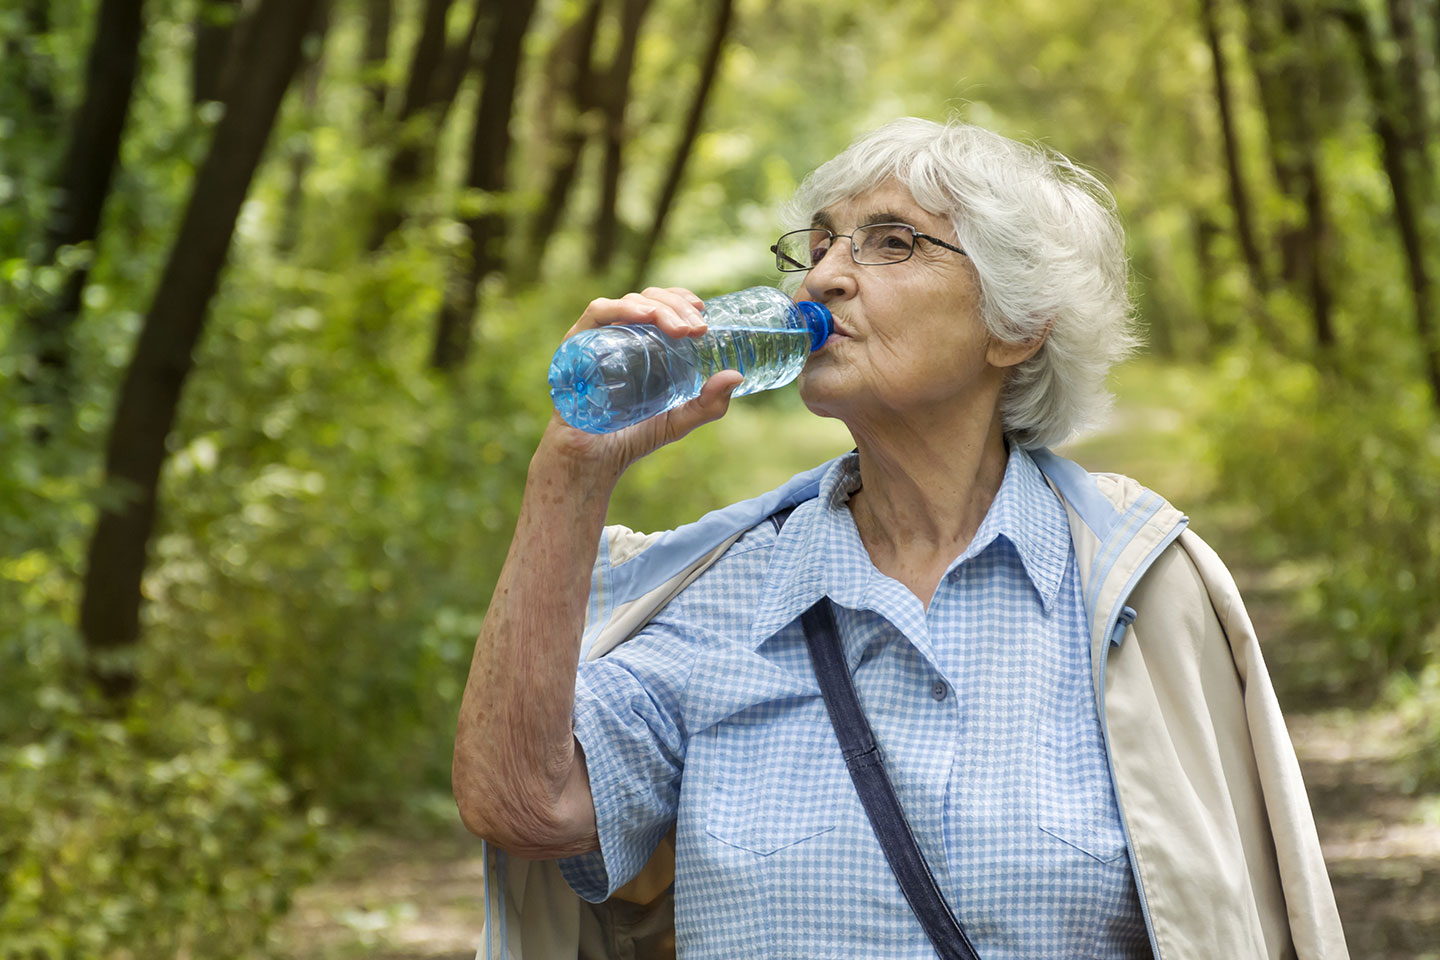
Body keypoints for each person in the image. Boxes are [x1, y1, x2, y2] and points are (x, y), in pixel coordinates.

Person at [452, 117, 1348, 959]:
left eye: (892, 242)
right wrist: (572, 469)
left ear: (1018, 326)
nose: (823, 278)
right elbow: (524, 804)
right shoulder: (726, 594)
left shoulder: (1137, 590)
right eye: (821, 243)